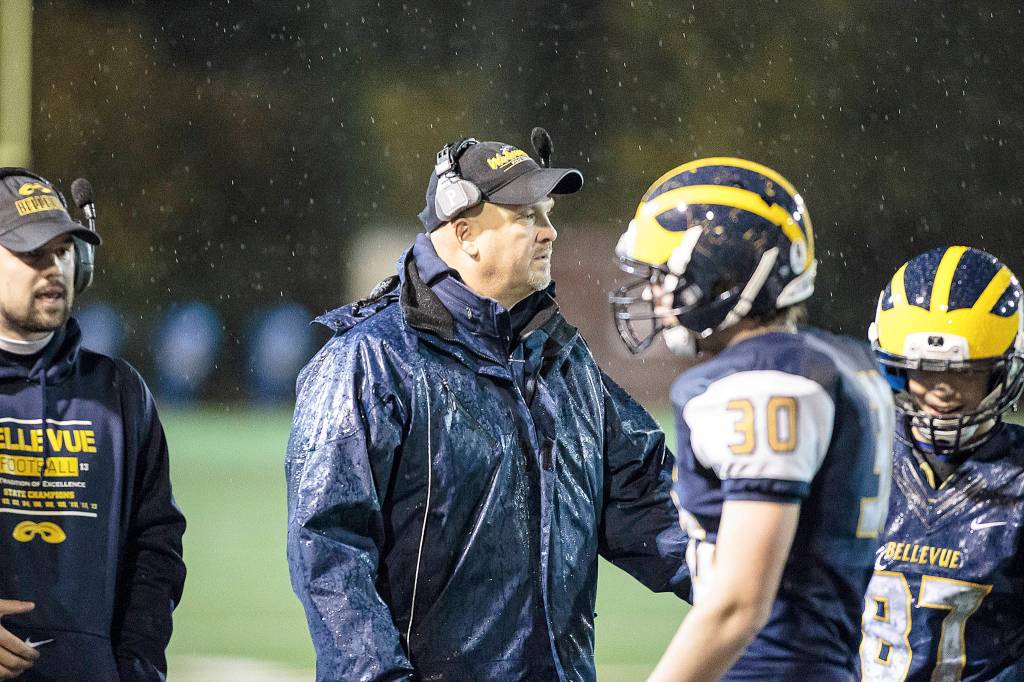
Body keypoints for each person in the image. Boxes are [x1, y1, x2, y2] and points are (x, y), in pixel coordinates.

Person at [285, 132, 690, 681]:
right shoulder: (370, 361)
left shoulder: (564, 360)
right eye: (525, 215)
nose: (550, 231)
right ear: (465, 232)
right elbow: (330, 550)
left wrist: (762, 583)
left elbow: (650, 505)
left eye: (546, 213)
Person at [609, 157, 895, 680]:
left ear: (723, 270)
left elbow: (738, 605)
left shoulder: (762, 382)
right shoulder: (842, 362)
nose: (651, 291)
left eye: (664, 273)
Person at [0, 169, 186, 681]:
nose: (53, 268)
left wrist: (136, 668)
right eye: (32, 253)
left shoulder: (119, 393)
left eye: (62, 251)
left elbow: (157, 549)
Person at [859, 246, 1024, 681]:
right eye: (925, 368)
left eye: (965, 371)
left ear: (1001, 372)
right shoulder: (849, 460)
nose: (943, 390)